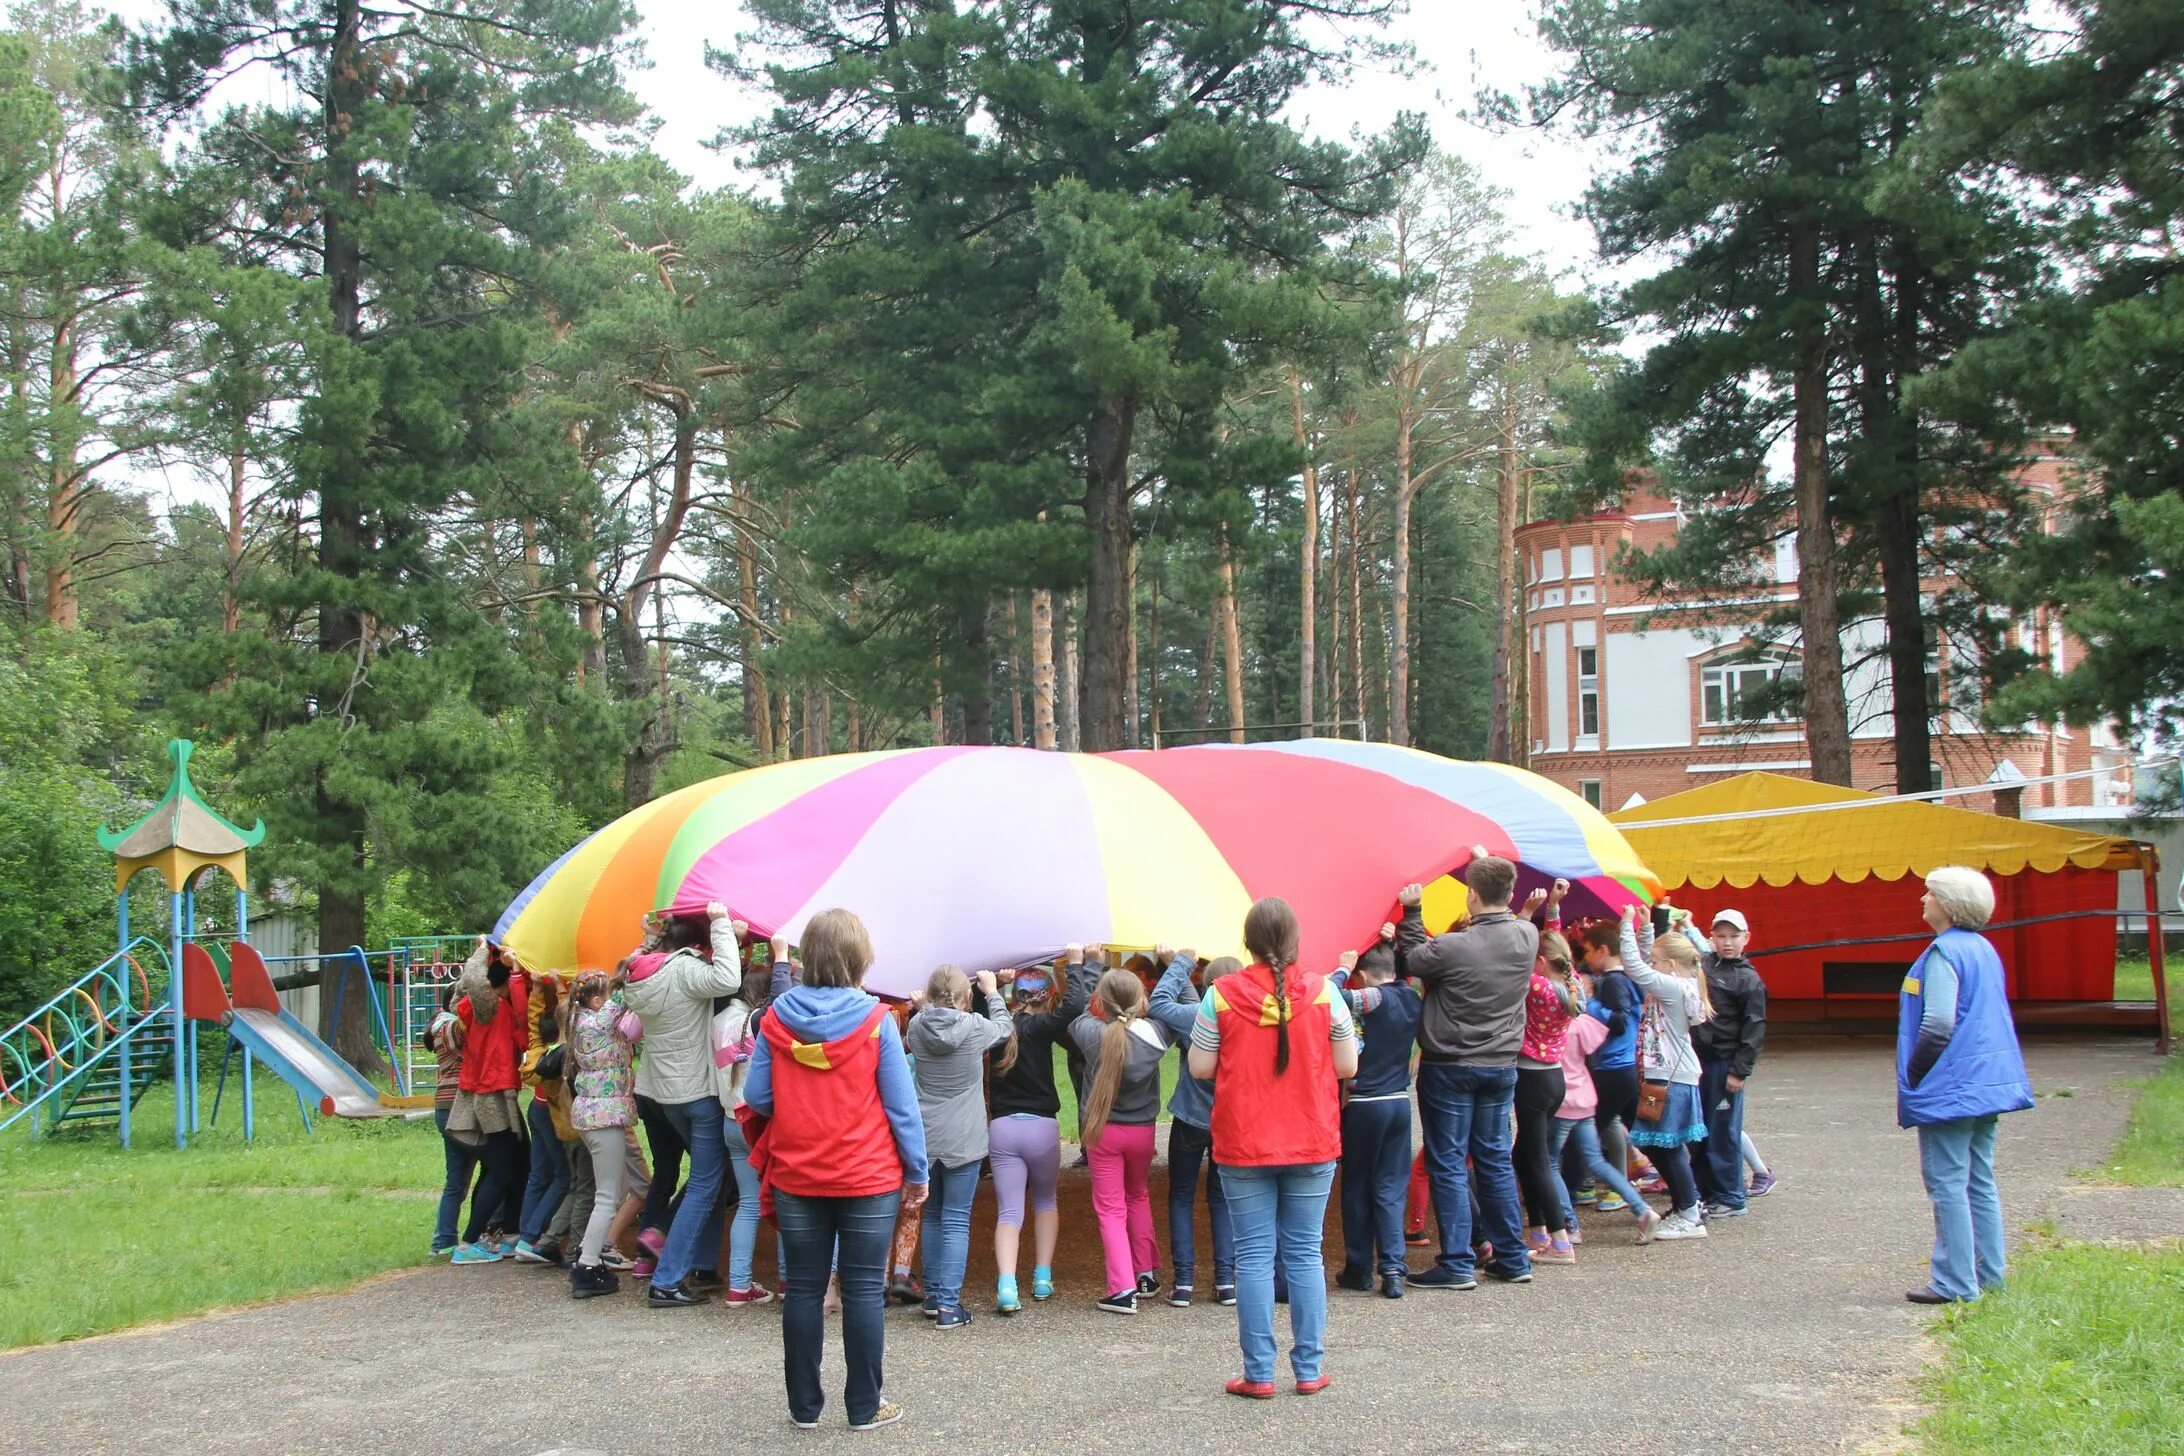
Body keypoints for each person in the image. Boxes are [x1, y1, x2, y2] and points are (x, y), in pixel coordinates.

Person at [744, 907, 929, 1432]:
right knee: (865, 1289)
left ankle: (804, 1408)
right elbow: (901, 1108)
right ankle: (864, 1407)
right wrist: (917, 1172)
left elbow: (756, 1095)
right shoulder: (876, 1023)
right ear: (857, 958)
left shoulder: (776, 1019)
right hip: (868, 1177)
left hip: (797, 1177)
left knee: (804, 1289)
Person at [1189, 897, 1356, 1399]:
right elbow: (1347, 1065)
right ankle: (1309, 1369)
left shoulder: (1219, 995)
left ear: (1248, 942)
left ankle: (1258, 1372)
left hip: (1244, 1143)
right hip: (1311, 1139)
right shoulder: (1326, 992)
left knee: (1253, 1257)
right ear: (1295, 940)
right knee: (1305, 1253)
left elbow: (1199, 1066)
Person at [1394, 849, 1541, 1289]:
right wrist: (1485, 864)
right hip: (1501, 1066)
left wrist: (1413, 910)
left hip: (1451, 1064)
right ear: (1511, 894)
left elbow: (1414, 958)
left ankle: (1457, 1262)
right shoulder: (1527, 937)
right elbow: (1506, 908)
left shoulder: (1455, 947)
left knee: (1448, 1162)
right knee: (1495, 1160)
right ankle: (1512, 1257)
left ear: (1471, 896)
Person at [1899, 866, 2034, 1305]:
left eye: (1929, 893)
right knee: (1979, 1179)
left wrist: (1916, 1074)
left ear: (1949, 904)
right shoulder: (1983, 948)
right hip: (1986, 1083)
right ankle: (1989, 1273)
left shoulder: (1943, 952)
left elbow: (1938, 1022)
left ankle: (1955, 1282)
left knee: (1947, 1182)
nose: (1922, 899)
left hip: (1952, 1085)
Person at [622, 902, 747, 1306]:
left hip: (664, 1093)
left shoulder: (643, 974)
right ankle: (667, 1278)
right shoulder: (685, 969)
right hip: (696, 1092)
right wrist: (722, 924)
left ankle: (702, 1263)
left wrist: (729, 938)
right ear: (699, 942)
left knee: (710, 1180)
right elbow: (728, 977)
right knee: (707, 1182)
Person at [985, 946, 1095, 1311]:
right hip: (1042, 1130)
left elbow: (980, 1006)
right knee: (1046, 1201)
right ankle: (1043, 1277)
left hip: (1002, 1130)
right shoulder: (1044, 1027)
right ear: (1046, 998)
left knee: (1008, 1212)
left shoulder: (996, 1029)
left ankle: (1006, 1284)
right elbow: (1074, 1005)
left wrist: (993, 990)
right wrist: (1077, 965)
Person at [905, 963, 1013, 1329]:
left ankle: (935, 1297)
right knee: (955, 1219)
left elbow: (927, 1026)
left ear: (929, 994)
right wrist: (994, 992)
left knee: (932, 1215)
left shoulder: (917, 1024)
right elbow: (1005, 1028)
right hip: (964, 1135)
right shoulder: (975, 1027)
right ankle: (950, 1305)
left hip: (925, 1133)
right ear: (967, 997)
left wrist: (922, 1008)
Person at [1071, 967, 1173, 1314]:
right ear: (1142, 998)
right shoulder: (1157, 1034)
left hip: (1104, 1133)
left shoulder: (1089, 1032)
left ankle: (1122, 1288)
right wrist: (1177, 965)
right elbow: (1176, 1005)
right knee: (1137, 1196)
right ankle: (1144, 1274)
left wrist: (1082, 966)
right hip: (1142, 1131)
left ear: (1101, 1000)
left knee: (1111, 1210)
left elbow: (1078, 1007)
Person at [1549, 935, 1659, 1242]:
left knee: (1548, 1161)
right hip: (1587, 1095)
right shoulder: (1583, 1022)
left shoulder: (1555, 1023)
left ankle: (1569, 1226)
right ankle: (1642, 1209)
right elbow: (1598, 1042)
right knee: (1596, 1158)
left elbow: (1617, 1023)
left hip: (1564, 1100)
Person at [1331, 927, 1421, 1298]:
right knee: (1390, 1187)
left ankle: (1359, 1267)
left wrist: (1341, 970)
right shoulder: (1412, 997)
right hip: (1399, 1102)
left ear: (1365, 975)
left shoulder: (1372, 998)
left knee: (1356, 1185)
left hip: (1364, 1102)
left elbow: (1331, 997)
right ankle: (1394, 1269)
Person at [1617, 905, 1711, 1241]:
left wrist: (1625, 926)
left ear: (1670, 966)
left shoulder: (1674, 987)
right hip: (1664, 1075)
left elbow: (1635, 967)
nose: (1651, 966)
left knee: (1667, 1148)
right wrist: (1645, 929)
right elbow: (1645, 962)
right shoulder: (1674, 982)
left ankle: (1689, 1212)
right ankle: (1687, 1204)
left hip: (1669, 1077)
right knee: (1654, 1144)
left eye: (1657, 962)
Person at [1149, 947, 1235, 1309]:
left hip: (1190, 1118)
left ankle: (1184, 1282)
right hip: (1230, 1121)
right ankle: (1226, 1281)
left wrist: (1180, 961)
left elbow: (1160, 1003)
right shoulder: (1249, 1015)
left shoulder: (1199, 1015)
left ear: (1209, 985)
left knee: (1181, 1197)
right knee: (1222, 1199)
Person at [448, 938, 531, 1264]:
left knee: (521, 1163)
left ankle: (511, 1232)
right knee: (501, 1171)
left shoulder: (477, 1009)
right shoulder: (489, 1009)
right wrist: (483, 950)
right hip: (490, 1096)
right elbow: (470, 979)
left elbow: (459, 992)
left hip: (499, 1095)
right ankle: (469, 1244)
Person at [712, 938, 782, 1308]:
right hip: (761, 1123)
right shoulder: (761, 1023)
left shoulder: (718, 1021)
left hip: (730, 1118)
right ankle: (788, 1280)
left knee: (749, 1205)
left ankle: (739, 1284)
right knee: (784, 1201)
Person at [1686, 908, 1768, 1219]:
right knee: (1698, 1130)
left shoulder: (1748, 980)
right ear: (1712, 938)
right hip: (1699, 1061)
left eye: (1733, 936)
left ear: (1746, 938)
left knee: (1723, 1132)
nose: (1727, 942)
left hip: (1724, 1063)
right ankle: (1706, 1192)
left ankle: (1731, 1196)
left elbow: (1754, 1028)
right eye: (1721, 936)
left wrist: (1739, 1070)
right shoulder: (1704, 966)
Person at [565, 969, 640, 1296]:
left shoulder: (578, 1022)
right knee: (608, 1196)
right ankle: (587, 1266)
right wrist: (644, 948)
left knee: (614, 1189)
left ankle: (589, 1253)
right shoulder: (599, 1023)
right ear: (597, 1000)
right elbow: (625, 988)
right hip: (604, 1115)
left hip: (591, 1113)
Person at [1517, 926, 1582, 1265]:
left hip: (1531, 1079)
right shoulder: (1572, 985)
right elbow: (1552, 949)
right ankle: (1540, 1231)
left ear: (1540, 962)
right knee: (1522, 1155)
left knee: (1538, 1160)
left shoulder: (1537, 986)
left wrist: (1525, 919)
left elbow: (1510, 959)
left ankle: (1560, 1240)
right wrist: (1553, 911)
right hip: (1554, 1078)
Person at [1575, 919, 1643, 1215]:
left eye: (1589, 951)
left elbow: (1618, 1022)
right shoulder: (1624, 979)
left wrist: (1589, 1002)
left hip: (1614, 1068)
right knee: (1641, 1128)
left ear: (1603, 950)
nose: (1587, 957)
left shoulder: (1614, 982)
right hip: (1622, 1067)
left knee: (1590, 1130)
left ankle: (1611, 1187)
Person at [513, 975, 572, 1264]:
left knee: (538, 1174)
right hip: (552, 1114)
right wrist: (562, 989)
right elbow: (566, 1021)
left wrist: (537, 990)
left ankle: (526, 1233)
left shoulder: (537, 1050)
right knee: (565, 1176)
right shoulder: (562, 1055)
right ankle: (535, 1234)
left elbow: (535, 1022)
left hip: (535, 1109)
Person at [428, 986, 476, 1258]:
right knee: (496, 1167)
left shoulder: (439, 1026)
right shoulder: (448, 1029)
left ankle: (444, 1239)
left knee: (456, 1179)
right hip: (458, 1105)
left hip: (446, 1105)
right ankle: (465, 1237)